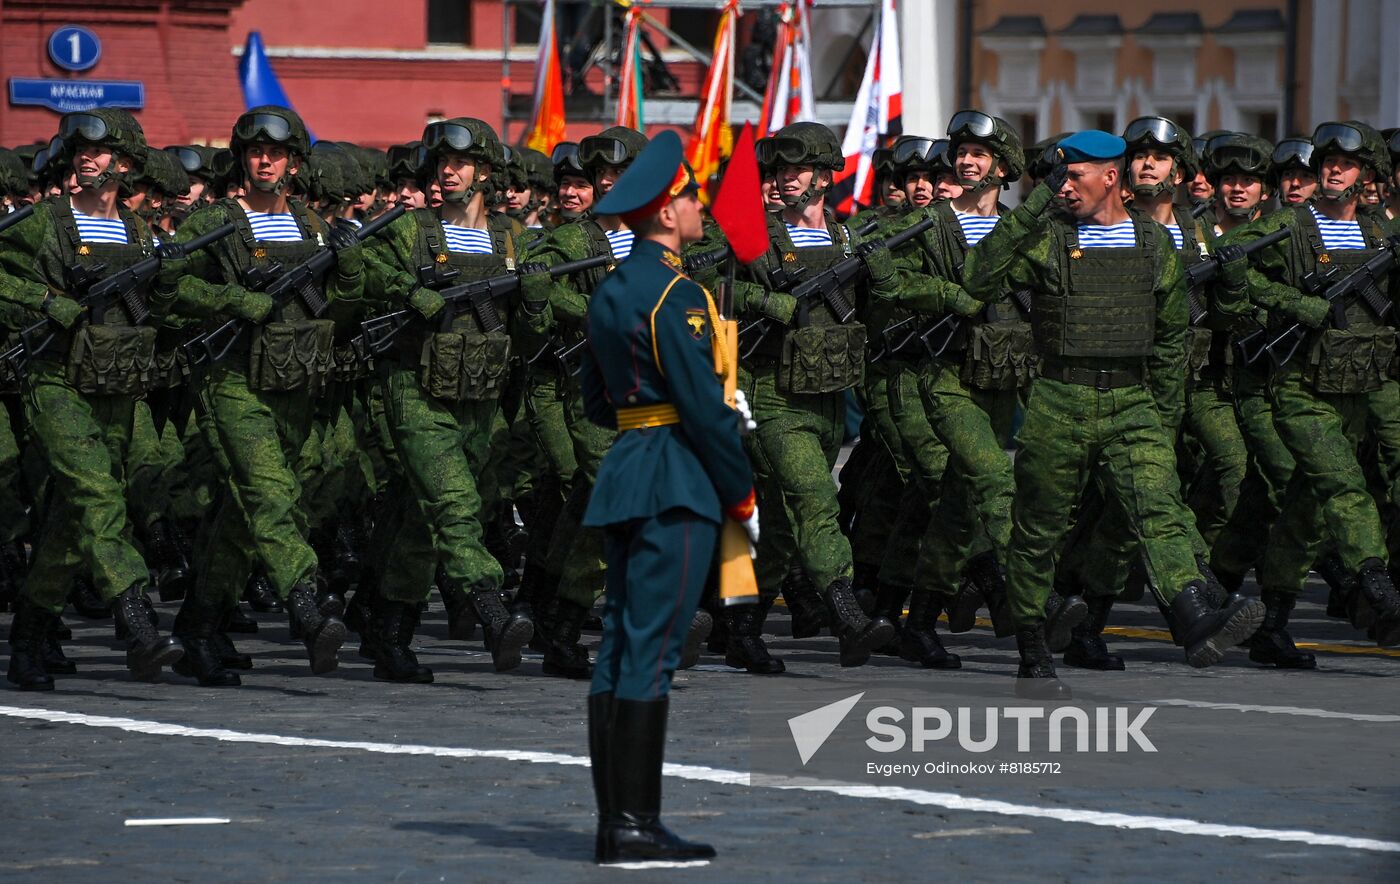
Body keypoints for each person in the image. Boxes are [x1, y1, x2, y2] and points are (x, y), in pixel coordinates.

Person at [965, 130, 1264, 697]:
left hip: (1133, 399)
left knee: (1158, 506)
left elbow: (1175, 334)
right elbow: (978, 277)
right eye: (1060, 175)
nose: (1065, 185)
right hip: (1059, 398)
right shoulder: (1048, 237)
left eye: (1075, 175)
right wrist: (1033, 203)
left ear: (1111, 179)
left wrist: (1163, 413)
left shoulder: (1153, 244)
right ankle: (1032, 640)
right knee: (1039, 528)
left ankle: (1193, 612)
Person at [581, 130, 754, 867]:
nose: (698, 206)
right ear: (662, 214)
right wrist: (741, 492)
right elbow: (704, 407)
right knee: (650, 653)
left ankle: (614, 821)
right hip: (675, 478)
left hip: (626, 467)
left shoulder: (613, 289)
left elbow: (596, 400)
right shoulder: (678, 295)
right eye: (688, 195)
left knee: (619, 645)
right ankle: (635, 827)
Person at [0, 109, 186, 688]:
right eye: (80, 148)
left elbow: (166, 314)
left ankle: (29, 639)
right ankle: (139, 622)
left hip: (116, 388)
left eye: (101, 151)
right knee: (96, 495)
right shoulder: (44, 223)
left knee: (68, 525)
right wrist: (41, 300)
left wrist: (173, 278)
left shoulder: (137, 233)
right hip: (54, 382)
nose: (88, 157)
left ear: (125, 164)